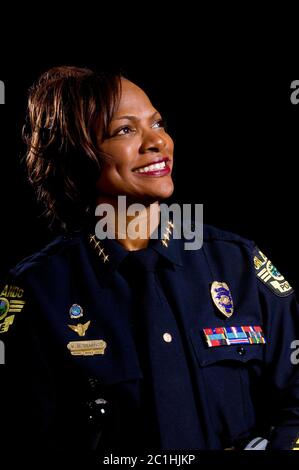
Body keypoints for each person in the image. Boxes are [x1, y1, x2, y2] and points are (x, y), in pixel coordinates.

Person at [1, 66, 299, 456]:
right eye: (125, 130)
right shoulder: (36, 292)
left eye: (157, 123)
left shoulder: (240, 264)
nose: (157, 141)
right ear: (78, 153)